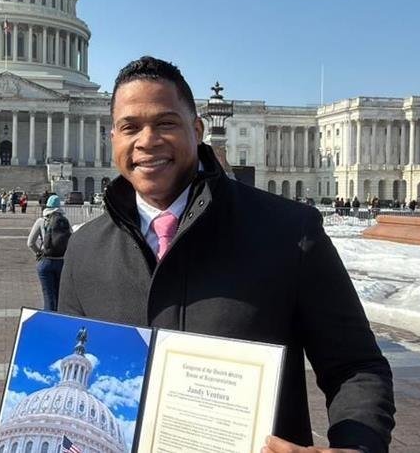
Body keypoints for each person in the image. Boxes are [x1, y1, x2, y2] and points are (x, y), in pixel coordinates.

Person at [58, 56, 394, 451]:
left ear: (197, 130)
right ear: (112, 137)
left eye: (165, 123)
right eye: (130, 127)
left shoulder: (288, 231)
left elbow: (356, 366)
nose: (147, 141)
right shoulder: (84, 249)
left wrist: (357, 444)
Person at [26, 194, 72, 311]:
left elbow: (30, 242)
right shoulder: (64, 221)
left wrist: (39, 253)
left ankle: (49, 321)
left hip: (46, 262)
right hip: (62, 262)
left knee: (48, 296)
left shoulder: (41, 221)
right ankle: (60, 320)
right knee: (59, 295)